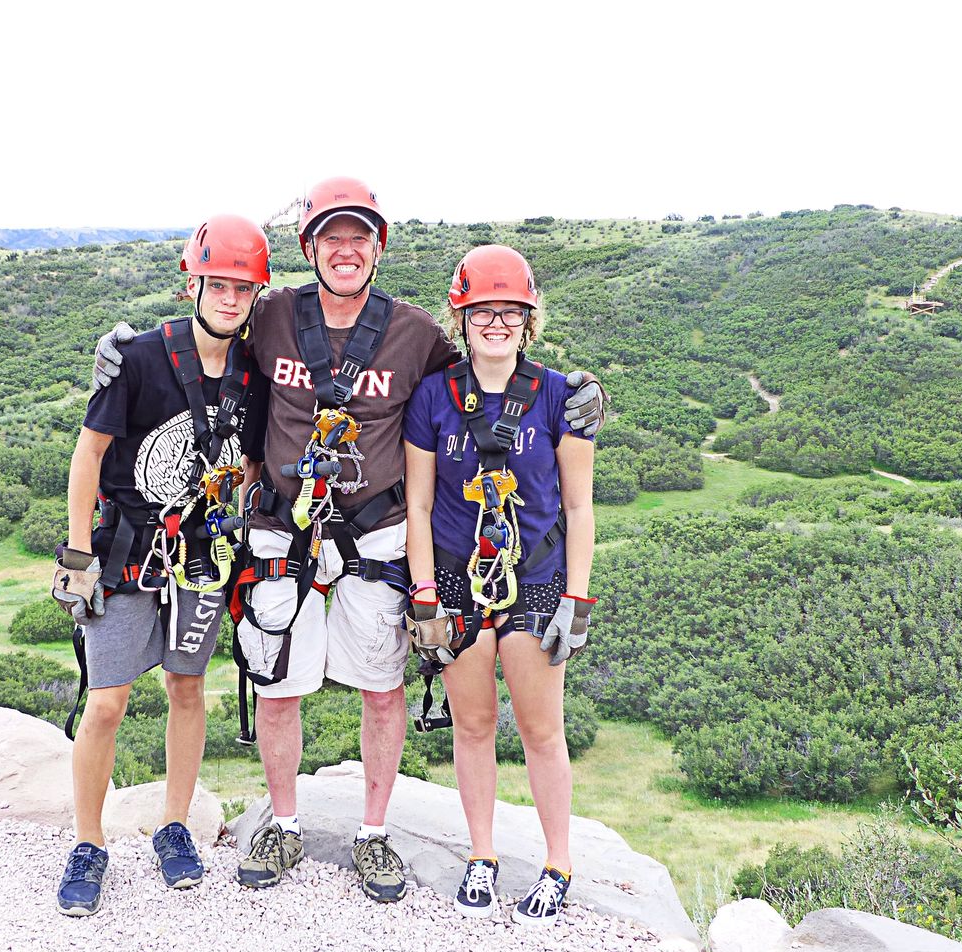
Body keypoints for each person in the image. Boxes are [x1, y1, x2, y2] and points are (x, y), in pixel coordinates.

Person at [91, 178, 605, 904]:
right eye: (331, 237)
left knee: (382, 691)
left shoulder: (415, 333)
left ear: (377, 249)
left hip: (377, 536)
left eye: (359, 238)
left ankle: (372, 832)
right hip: (280, 531)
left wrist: (574, 391)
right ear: (309, 247)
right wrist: (120, 350)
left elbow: (486, 376)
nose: (345, 250)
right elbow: (204, 335)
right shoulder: (270, 317)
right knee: (278, 693)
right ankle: (286, 823)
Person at [50, 214, 269, 916]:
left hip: (204, 552)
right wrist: (79, 552)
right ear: (194, 282)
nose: (231, 299)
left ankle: (175, 825)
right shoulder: (140, 358)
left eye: (244, 288)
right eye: (221, 285)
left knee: (185, 687)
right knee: (108, 701)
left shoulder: (250, 372)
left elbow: (254, 461)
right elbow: (89, 453)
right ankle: (89, 842)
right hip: (127, 550)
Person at [402, 244, 596, 927]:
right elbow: (420, 505)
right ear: (462, 318)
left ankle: (557, 863)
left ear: (528, 319)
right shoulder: (434, 397)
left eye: (509, 311)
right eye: (482, 310)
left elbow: (578, 506)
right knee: (474, 723)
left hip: (537, 577)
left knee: (542, 730)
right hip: (456, 580)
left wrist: (577, 597)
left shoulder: (559, 397)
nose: (496, 322)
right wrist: (423, 592)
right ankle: (481, 856)